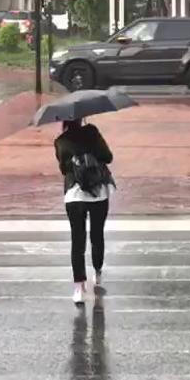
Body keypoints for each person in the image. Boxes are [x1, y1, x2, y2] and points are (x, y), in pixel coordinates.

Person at [54, 119, 115, 304]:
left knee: (77, 241)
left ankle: (79, 288)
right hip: (99, 193)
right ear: (81, 118)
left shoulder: (61, 141)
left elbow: (64, 169)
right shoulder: (92, 132)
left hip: (74, 194)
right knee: (97, 235)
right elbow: (108, 157)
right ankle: (97, 272)